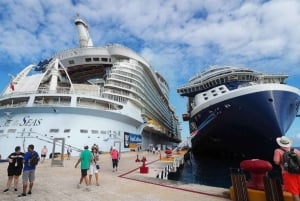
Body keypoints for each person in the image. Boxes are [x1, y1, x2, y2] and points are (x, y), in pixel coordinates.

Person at [274, 136, 300, 201]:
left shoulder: (278, 150)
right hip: (298, 173)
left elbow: (276, 161)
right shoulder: (295, 150)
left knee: (295, 193)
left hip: (288, 174)